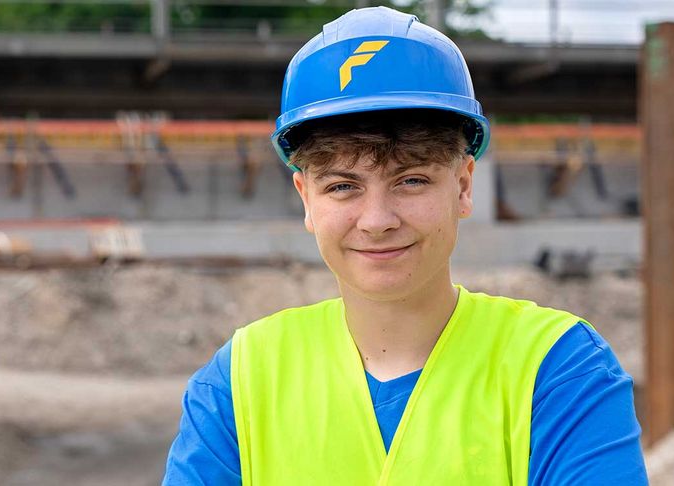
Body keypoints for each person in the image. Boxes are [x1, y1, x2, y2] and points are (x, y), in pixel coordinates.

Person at [162, 6, 647, 485]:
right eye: (343, 186)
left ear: (462, 186)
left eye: (411, 180)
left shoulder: (559, 370)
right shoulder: (239, 382)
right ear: (305, 199)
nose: (377, 221)